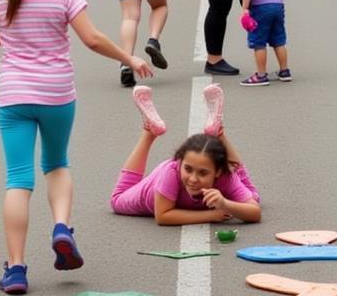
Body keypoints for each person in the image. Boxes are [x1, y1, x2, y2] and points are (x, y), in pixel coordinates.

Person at [0, 0, 152, 296]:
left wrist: (9, 36)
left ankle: (16, 269)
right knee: (57, 164)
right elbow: (93, 39)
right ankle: (62, 227)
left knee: (18, 179)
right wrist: (129, 57)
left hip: (14, 95)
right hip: (56, 94)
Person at [110, 84, 262, 226]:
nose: (193, 179)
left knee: (252, 197)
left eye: (203, 173)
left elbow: (255, 212)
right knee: (117, 199)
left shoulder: (226, 176)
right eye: (188, 169)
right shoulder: (171, 172)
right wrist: (211, 215)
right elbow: (163, 216)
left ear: (218, 172)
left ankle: (219, 133)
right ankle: (148, 133)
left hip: (206, 172)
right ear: (180, 162)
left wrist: (224, 203)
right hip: (153, 191)